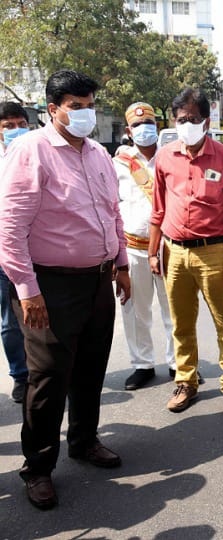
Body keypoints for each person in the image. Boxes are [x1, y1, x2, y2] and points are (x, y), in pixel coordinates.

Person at [0, 70, 131, 510]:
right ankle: (37, 468)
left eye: (89, 104)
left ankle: (84, 440)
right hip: (49, 286)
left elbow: (113, 212)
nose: (85, 113)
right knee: (49, 379)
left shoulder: (97, 153)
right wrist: (27, 291)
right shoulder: (29, 152)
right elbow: (10, 229)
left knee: (91, 367)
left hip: (97, 279)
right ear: (53, 109)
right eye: (76, 106)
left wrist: (121, 263)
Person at [148, 87, 223, 415]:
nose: (186, 124)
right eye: (181, 119)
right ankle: (186, 382)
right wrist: (152, 252)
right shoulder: (165, 157)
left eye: (192, 118)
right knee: (181, 322)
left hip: (213, 252)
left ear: (205, 121)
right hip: (174, 252)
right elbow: (158, 209)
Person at [113, 102, 176, 390]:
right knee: (135, 309)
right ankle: (142, 364)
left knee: (175, 309)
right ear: (129, 130)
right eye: (137, 125)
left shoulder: (172, 158)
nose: (143, 128)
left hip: (169, 247)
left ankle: (180, 364)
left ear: (158, 126)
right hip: (133, 247)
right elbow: (110, 207)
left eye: (148, 122)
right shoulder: (119, 163)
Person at [0, 102, 30, 402]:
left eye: (20, 123)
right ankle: (21, 376)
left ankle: (44, 370)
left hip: (36, 251)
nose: (15, 130)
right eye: (8, 126)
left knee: (43, 315)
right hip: (3, 256)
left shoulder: (36, 156)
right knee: (10, 321)